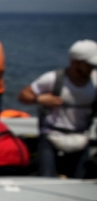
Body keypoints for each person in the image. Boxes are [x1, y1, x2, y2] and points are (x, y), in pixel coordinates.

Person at [18, 39, 97, 178]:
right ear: (75, 62)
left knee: (80, 184)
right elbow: (23, 95)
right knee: (46, 180)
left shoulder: (95, 83)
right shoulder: (53, 79)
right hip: (52, 136)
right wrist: (39, 99)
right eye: (89, 64)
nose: (92, 68)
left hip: (81, 136)